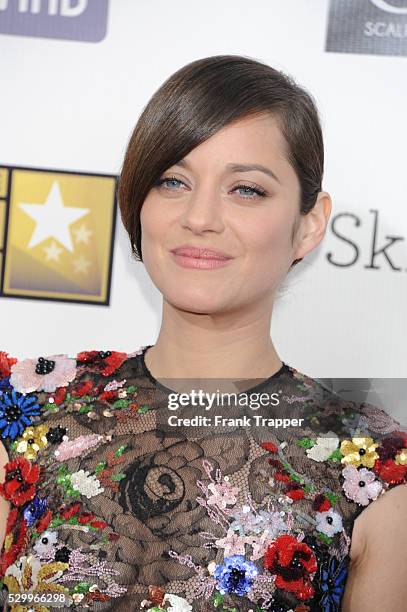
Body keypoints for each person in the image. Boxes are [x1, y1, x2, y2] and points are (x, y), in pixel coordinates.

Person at [0, 55, 406, 611]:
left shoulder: (372, 472)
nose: (200, 216)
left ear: (308, 223)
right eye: (173, 181)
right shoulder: (27, 414)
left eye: (246, 189)